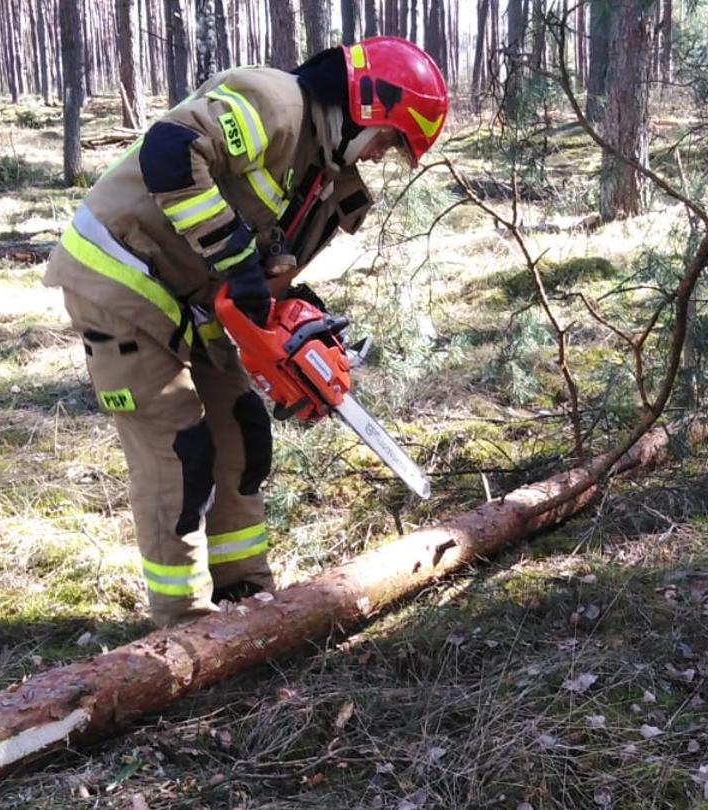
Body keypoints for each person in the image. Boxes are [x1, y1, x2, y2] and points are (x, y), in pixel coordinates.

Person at [42, 37, 449, 627]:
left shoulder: (326, 175)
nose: (383, 155)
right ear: (368, 108)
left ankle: (246, 596)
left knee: (243, 426)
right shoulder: (274, 101)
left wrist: (294, 334)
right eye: (388, 139)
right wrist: (234, 258)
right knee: (179, 448)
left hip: (192, 300)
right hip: (120, 277)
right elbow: (170, 151)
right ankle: (182, 625)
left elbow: (271, 261)